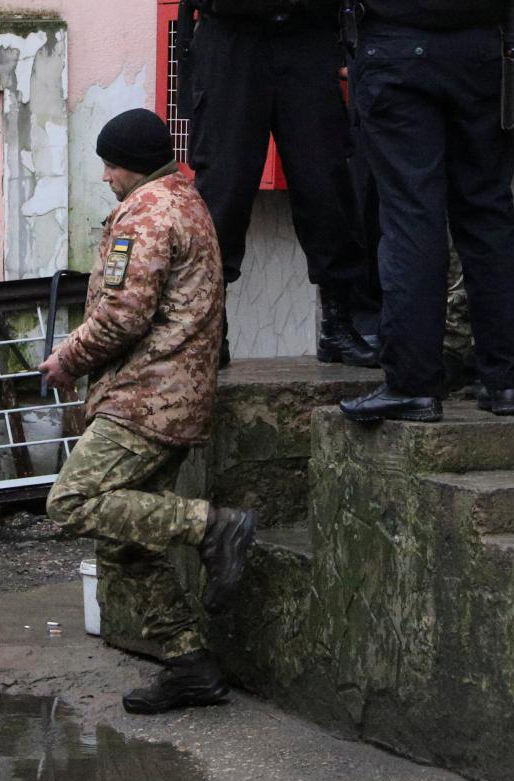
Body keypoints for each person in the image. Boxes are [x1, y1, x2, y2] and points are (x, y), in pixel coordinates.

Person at [40, 109, 257, 715]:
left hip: (146, 398)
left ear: (127, 163)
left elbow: (122, 315)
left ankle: (213, 527)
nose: (106, 176)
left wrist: (67, 361)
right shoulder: (185, 200)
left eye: (110, 164)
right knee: (126, 545)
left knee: (73, 501)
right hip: (172, 396)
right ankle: (191, 666)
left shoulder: (148, 212)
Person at [339, 0, 514, 422]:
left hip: (394, 47)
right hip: (483, 47)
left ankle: (412, 384)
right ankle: (505, 382)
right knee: (488, 210)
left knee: (412, 216)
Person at [183, 0, 377, 369]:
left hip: (306, 29)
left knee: (326, 181)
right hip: (230, 32)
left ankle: (338, 322)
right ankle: (211, 329)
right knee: (224, 187)